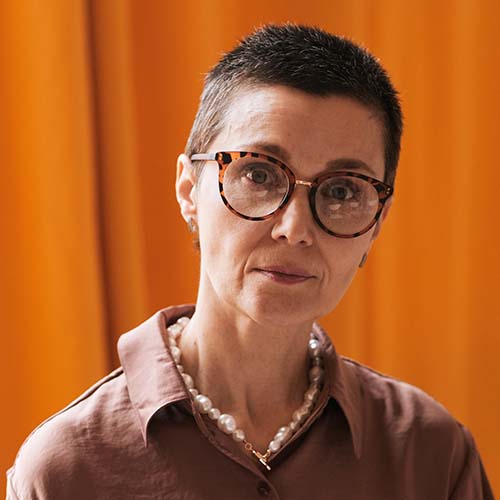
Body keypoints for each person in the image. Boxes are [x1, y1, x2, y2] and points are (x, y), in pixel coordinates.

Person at [6, 24, 494, 500]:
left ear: (378, 221)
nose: (295, 228)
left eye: (343, 191)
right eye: (259, 175)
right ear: (188, 191)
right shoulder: (65, 471)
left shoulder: (433, 456)